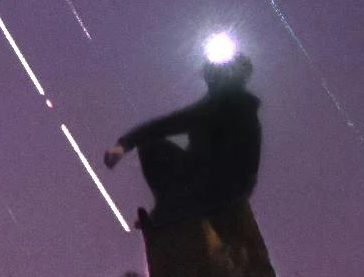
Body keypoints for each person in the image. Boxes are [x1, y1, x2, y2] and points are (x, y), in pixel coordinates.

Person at [102, 36, 263, 230]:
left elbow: (167, 124)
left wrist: (123, 146)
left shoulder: (223, 105)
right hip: (226, 187)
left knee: (152, 147)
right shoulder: (235, 107)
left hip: (215, 188)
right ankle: (172, 208)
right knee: (155, 146)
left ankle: (170, 210)